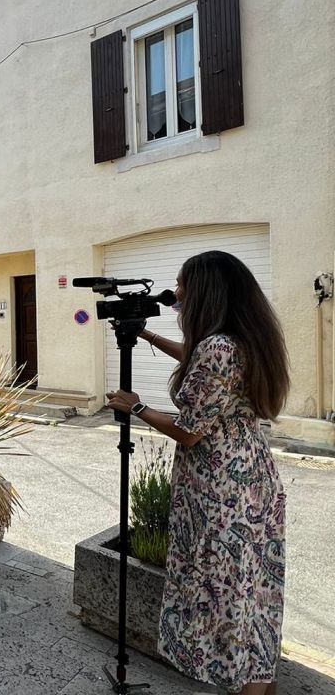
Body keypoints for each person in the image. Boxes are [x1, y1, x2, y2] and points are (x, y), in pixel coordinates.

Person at [106, 250, 289, 695]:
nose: (177, 293)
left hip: (221, 488)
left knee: (226, 599)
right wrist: (144, 333)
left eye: (182, 284)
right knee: (251, 594)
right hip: (251, 479)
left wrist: (137, 407)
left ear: (205, 290)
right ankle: (259, 683)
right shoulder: (239, 338)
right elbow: (199, 359)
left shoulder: (216, 348)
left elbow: (189, 433)